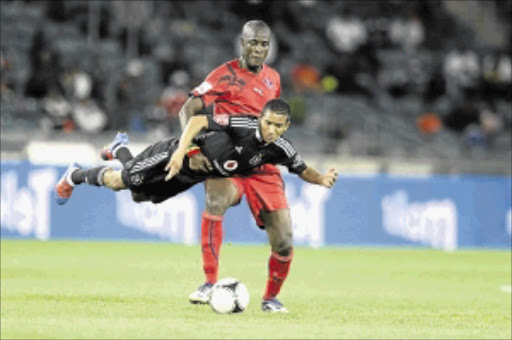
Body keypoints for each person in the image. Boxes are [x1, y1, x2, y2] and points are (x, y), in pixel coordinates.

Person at [179, 20, 299, 313]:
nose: (258, 48)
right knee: (215, 200)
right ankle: (209, 283)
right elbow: (188, 110)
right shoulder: (224, 74)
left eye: (263, 44)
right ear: (241, 42)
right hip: (229, 160)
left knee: (283, 241)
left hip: (262, 163)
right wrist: (192, 149)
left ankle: (270, 299)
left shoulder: (273, 79)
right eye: (253, 42)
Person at [54, 98, 338, 214]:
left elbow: (301, 168)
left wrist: (321, 178)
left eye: (279, 125)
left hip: (192, 176)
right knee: (120, 181)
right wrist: (183, 151)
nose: (272, 129)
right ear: (260, 118)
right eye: (268, 122)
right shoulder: (243, 125)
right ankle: (75, 174)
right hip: (174, 154)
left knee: (140, 196)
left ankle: (119, 149)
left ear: (286, 126)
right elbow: (197, 121)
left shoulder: (281, 148)